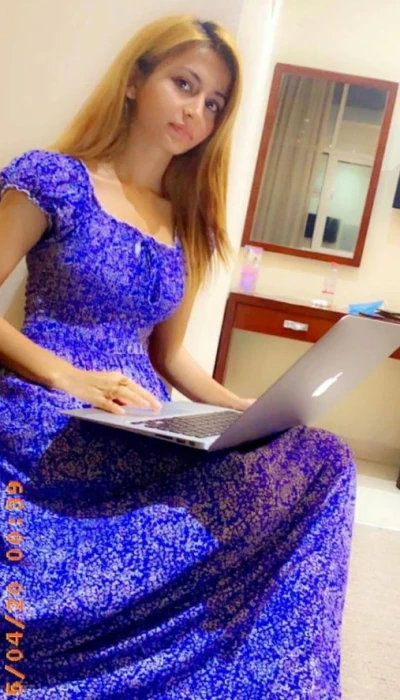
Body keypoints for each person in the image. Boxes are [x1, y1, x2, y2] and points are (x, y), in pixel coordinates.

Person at [0, 14, 356, 699]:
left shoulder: (185, 220)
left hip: (143, 417)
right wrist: (70, 376)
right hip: (48, 408)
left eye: (214, 103)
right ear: (136, 80)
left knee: (323, 459)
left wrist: (242, 407)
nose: (197, 112)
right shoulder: (55, 179)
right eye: (184, 84)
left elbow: (169, 356)